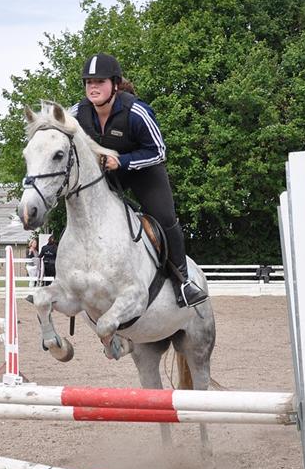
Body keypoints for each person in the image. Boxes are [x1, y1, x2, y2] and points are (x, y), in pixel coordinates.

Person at [69, 53, 207, 307]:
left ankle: (183, 282)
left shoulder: (137, 111)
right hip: (105, 175)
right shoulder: (78, 112)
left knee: (164, 218)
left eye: (99, 81)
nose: (93, 87)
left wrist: (123, 161)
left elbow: (159, 151)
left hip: (145, 171)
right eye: (88, 82)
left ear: (115, 84)